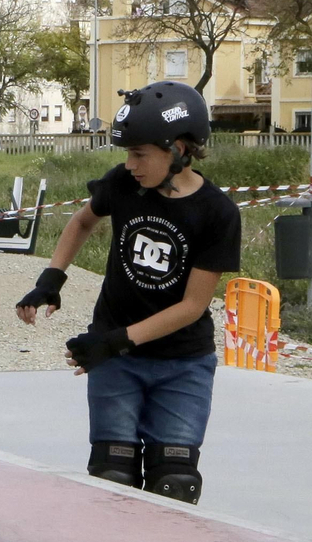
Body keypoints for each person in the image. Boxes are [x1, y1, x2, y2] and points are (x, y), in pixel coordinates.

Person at [15, 81, 239, 505]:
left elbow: (192, 306)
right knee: (111, 475)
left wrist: (113, 342)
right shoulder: (123, 183)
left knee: (173, 483)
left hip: (182, 364)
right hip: (117, 360)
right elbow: (82, 222)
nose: (130, 163)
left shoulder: (216, 212)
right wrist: (50, 281)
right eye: (127, 154)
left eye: (140, 154)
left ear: (179, 149)